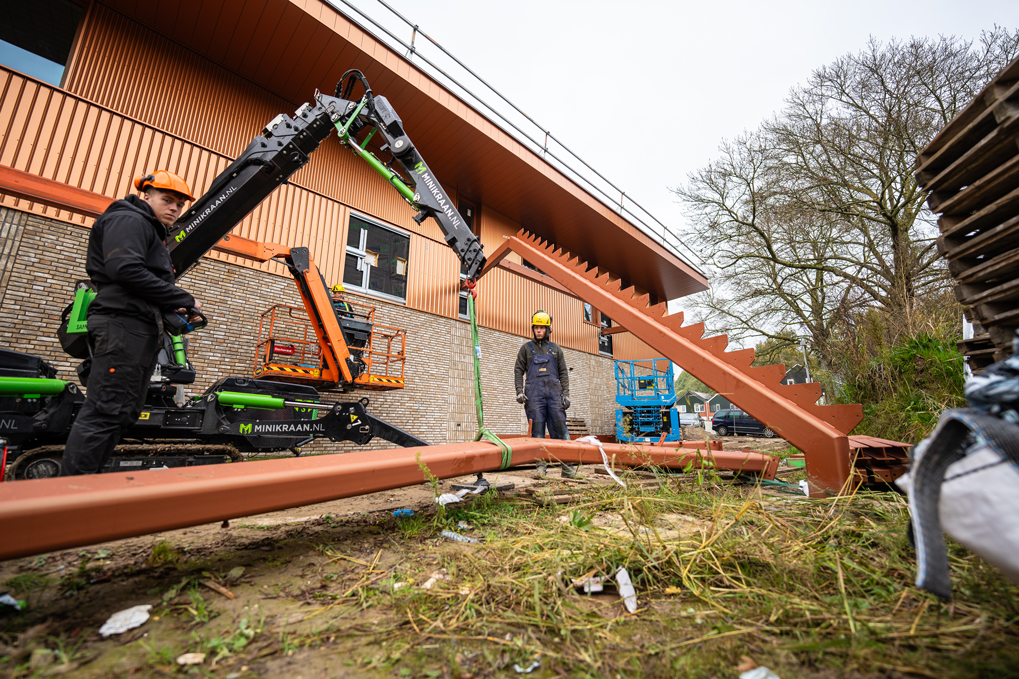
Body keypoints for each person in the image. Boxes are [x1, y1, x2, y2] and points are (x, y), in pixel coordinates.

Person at [61, 171, 201, 475]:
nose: (175, 208)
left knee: (121, 412)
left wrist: (172, 303)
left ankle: (84, 489)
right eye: (167, 200)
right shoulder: (130, 221)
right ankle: (68, 494)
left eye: (180, 204)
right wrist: (184, 297)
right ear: (146, 195)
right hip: (121, 327)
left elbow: (139, 280)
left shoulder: (149, 229)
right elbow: (125, 269)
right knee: (105, 410)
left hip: (136, 329)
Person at [514, 310, 577, 479]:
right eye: (536, 327)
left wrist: (566, 394)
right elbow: (518, 370)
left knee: (561, 431)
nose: (539, 330)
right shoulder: (526, 349)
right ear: (533, 329)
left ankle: (568, 467)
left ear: (548, 329)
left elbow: (563, 372)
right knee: (537, 433)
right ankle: (541, 468)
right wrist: (519, 391)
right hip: (534, 398)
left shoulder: (556, 349)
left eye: (542, 327)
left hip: (554, 397)